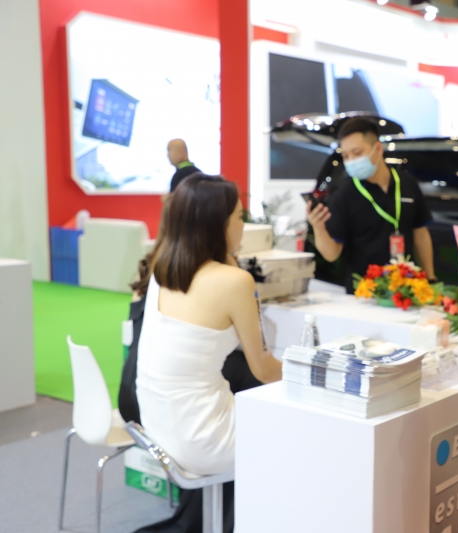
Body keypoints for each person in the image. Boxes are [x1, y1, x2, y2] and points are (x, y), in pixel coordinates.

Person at [135, 174, 282, 533]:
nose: (244, 225)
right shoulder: (235, 282)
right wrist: (313, 371)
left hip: (158, 425)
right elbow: (263, 369)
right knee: (299, 430)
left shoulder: (164, 267)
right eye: (239, 217)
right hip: (202, 438)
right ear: (218, 224)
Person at [306, 117, 436, 292]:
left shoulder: (406, 183)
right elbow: (331, 254)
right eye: (346, 156)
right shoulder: (344, 195)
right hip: (363, 293)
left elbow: (420, 234)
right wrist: (319, 228)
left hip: (405, 289)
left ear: (378, 149)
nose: (351, 160)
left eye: (357, 153)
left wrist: (430, 278)